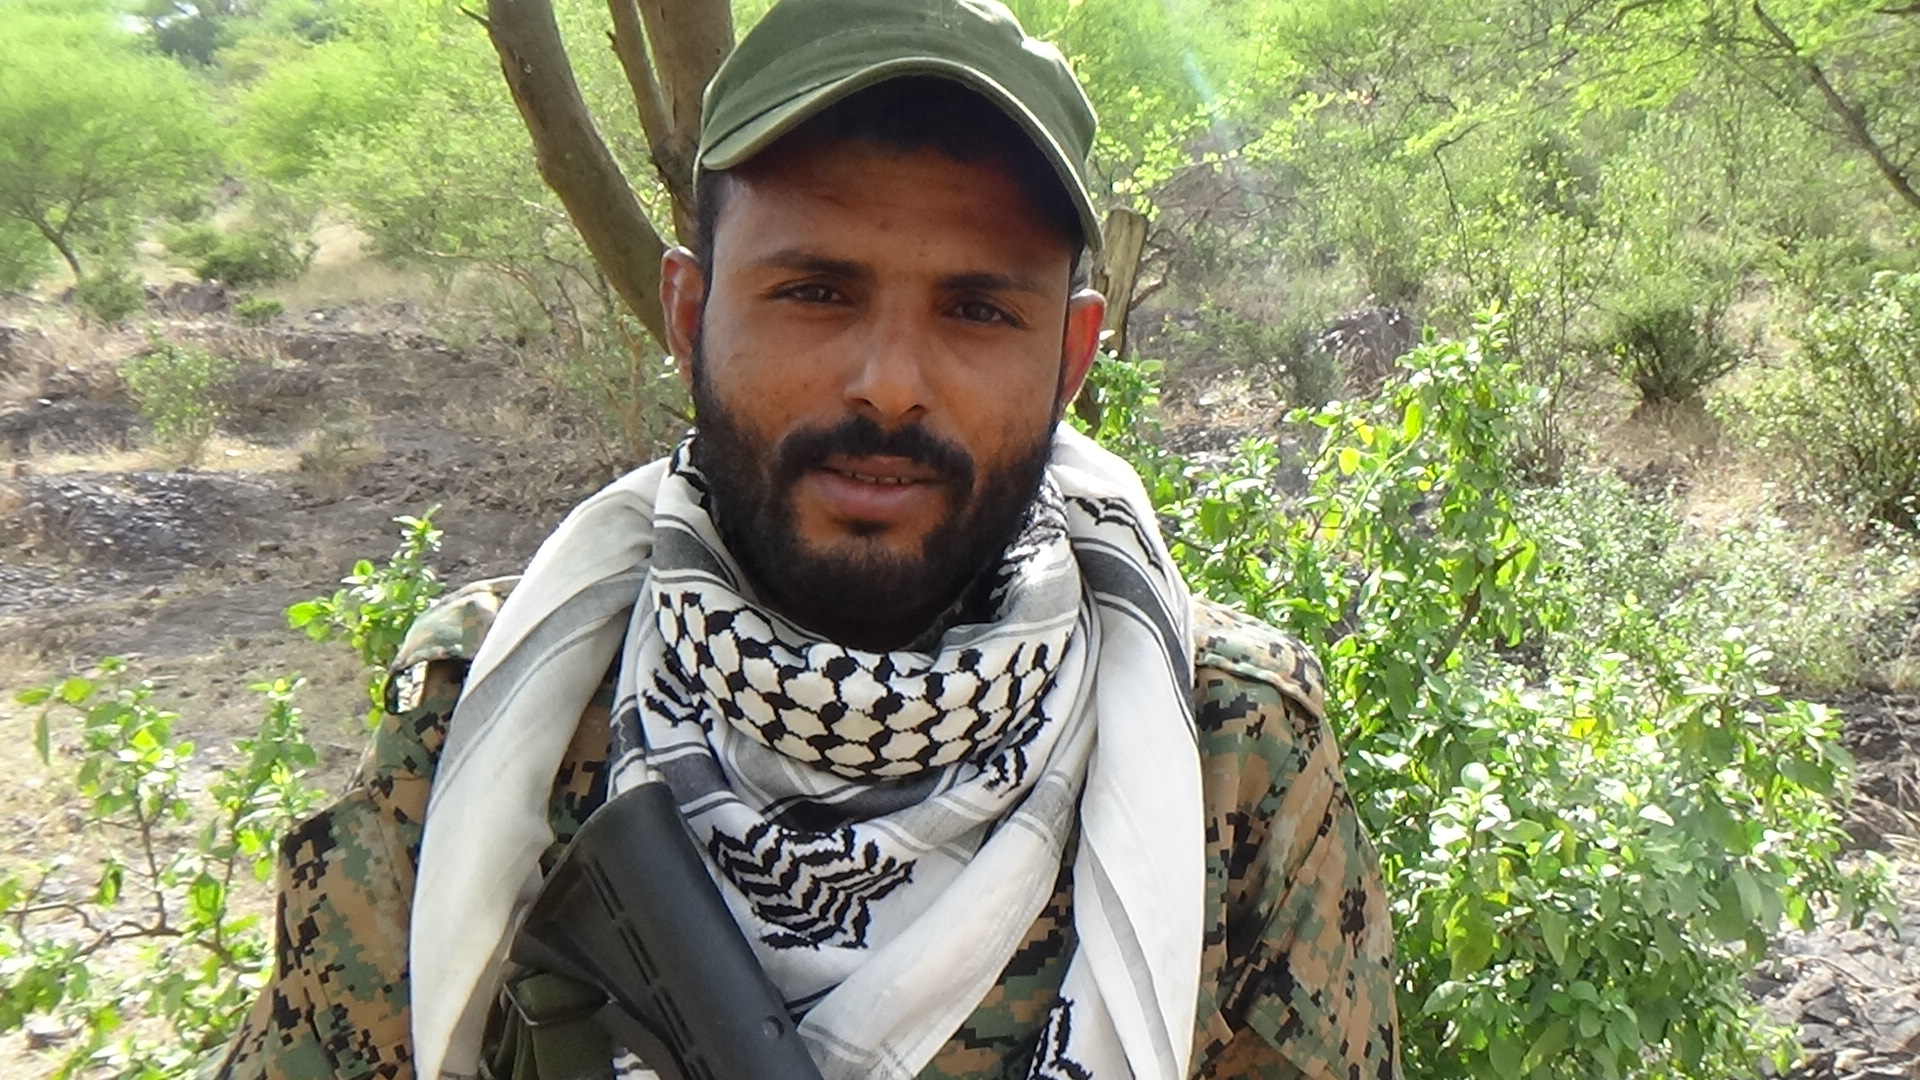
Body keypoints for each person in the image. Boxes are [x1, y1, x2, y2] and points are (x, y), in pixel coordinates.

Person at [208, 1, 1399, 1077]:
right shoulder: (488, 703)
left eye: (978, 309)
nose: (889, 384)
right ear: (690, 316)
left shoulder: (1232, 747)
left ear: (1072, 358)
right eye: (817, 292)